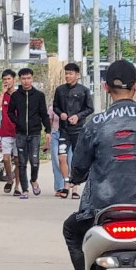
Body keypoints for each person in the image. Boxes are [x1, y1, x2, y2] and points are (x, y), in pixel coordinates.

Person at [60, 60, 136, 270]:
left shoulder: (94, 123)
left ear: (105, 87)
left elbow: (79, 168)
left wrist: (74, 178)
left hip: (101, 211)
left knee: (71, 230)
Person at [53, 62, 95, 200]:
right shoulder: (60, 90)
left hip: (79, 130)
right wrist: (61, 114)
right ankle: (66, 184)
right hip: (64, 130)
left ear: (77, 75)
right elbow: (55, 107)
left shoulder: (84, 90)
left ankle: (75, 187)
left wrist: (78, 116)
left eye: (70, 73)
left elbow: (90, 108)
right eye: (66, 73)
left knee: (76, 159)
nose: (67, 76)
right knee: (62, 157)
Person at [7, 67, 49, 198]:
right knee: (22, 162)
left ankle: (34, 180)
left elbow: (44, 114)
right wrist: (17, 121)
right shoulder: (15, 95)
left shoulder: (39, 95)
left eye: (28, 78)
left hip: (35, 132)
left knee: (35, 161)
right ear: (20, 79)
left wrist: (48, 130)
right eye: (24, 78)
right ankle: (25, 190)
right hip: (20, 133)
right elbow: (10, 112)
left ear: (32, 79)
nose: (26, 81)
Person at [0, 69, 20, 195]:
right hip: (5, 131)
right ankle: (10, 179)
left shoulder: (19, 94)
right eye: (4, 79)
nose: (7, 81)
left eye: (9, 79)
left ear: (14, 80)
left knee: (18, 159)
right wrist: (3, 93)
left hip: (18, 131)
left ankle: (18, 187)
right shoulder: (2, 96)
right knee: (5, 158)